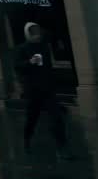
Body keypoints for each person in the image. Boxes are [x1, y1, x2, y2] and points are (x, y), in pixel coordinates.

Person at [15, 22, 72, 158]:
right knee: (32, 118)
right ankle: (27, 139)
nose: (36, 35)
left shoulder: (44, 47)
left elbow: (48, 67)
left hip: (47, 89)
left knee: (56, 118)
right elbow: (17, 66)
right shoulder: (22, 49)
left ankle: (62, 147)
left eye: (37, 32)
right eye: (33, 33)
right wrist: (29, 62)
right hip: (33, 90)